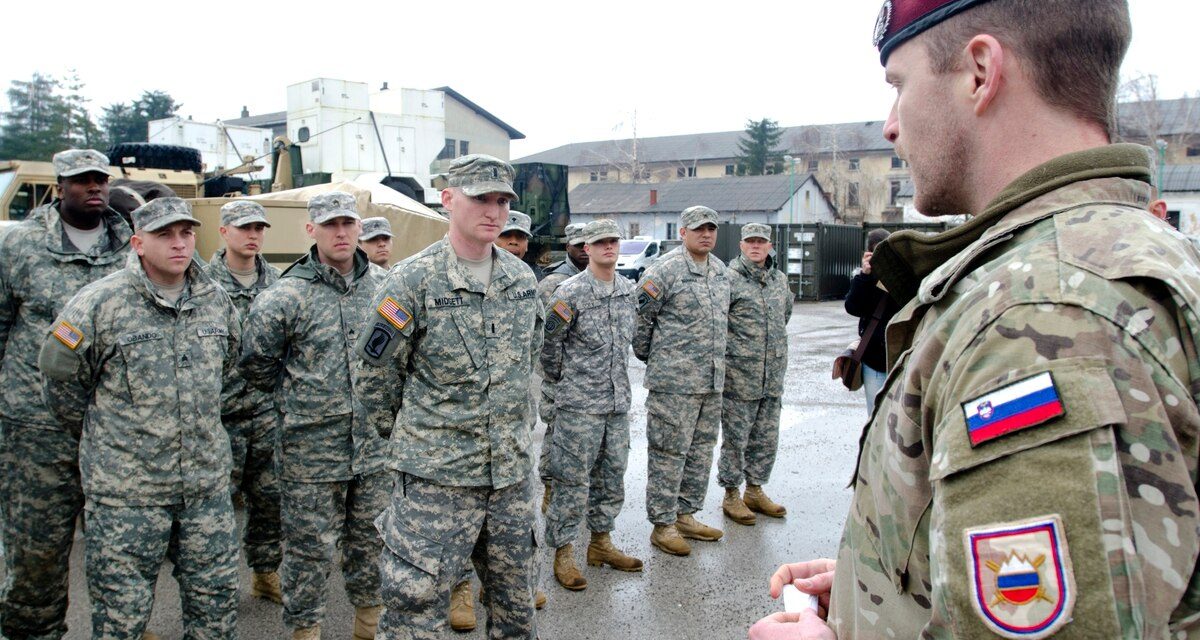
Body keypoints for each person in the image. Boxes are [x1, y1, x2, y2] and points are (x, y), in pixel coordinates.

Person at [752, 1, 1200, 638]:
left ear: (980, 72)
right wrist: (877, 583)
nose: (889, 126)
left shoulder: (1042, 316)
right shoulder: (1123, 252)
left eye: (900, 86)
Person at [354, 154, 542, 639]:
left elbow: (528, 363)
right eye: (481, 198)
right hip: (436, 482)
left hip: (510, 480)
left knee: (517, 610)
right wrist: (422, 443)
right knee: (415, 611)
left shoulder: (521, 280)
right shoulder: (411, 281)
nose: (494, 212)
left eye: (502, 201)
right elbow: (375, 379)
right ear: (448, 199)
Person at [38, 197, 241, 639]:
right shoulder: (98, 304)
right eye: (164, 234)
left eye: (186, 233)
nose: (179, 243)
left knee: (217, 613)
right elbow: (61, 385)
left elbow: (229, 370)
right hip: (128, 495)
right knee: (120, 620)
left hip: (204, 490)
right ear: (137, 243)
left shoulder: (216, 301)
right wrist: (112, 443)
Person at [239, 191, 389, 640]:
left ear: (359, 228)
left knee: (373, 541)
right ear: (312, 230)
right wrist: (302, 405)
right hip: (310, 452)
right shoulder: (285, 295)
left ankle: (369, 623)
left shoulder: (386, 287)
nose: (340, 233)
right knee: (308, 552)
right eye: (329, 225)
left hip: (375, 448)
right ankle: (305, 630)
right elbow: (256, 365)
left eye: (348, 224)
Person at [0, 148, 132, 640]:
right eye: (81, 180)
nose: (94, 187)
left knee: (120, 552)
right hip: (37, 427)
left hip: (116, 427)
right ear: (59, 187)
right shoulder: (20, 247)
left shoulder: (131, 244)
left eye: (100, 179)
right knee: (35, 550)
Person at [542, 219, 643, 591]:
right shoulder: (569, 293)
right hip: (579, 406)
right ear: (587, 248)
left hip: (616, 405)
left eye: (614, 241)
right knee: (570, 481)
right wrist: (570, 383)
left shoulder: (628, 291)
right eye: (601, 242)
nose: (609, 248)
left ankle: (600, 543)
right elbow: (549, 349)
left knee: (611, 476)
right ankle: (564, 551)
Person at [200, 200, 284, 604]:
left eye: (259, 228)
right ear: (224, 232)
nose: (253, 235)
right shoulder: (200, 283)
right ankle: (212, 587)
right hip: (220, 413)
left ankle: (266, 571)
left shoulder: (280, 283)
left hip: (268, 410)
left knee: (270, 498)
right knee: (213, 506)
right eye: (244, 228)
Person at [634, 206, 729, 556]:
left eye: (711, 228)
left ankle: (686, 513)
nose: (706, 234)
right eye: (699, 229)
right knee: (668, 453)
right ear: (683, 233)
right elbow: (641, 321)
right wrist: (658, 360)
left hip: (711, 381)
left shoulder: (720, 271)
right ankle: (663, 524)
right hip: (674, 383)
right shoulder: (664, 271)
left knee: (701, 451)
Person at [718, 223, 792, 527]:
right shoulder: (728, 280)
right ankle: (731, 494)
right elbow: (718, 324)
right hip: (740, 377)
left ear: (770, 244)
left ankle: (755, 489)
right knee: (736, 439)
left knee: (765, 437)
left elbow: (784, 315)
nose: (756, 246)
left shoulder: (779, 280)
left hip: (772, 375)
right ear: (741, 245)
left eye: (761, 241)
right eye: (750, 241)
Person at [535, 222, 589, 512]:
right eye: (578, 245)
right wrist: (555, 374)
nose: (584, 250)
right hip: (562, 377)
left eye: (587, 244)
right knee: (557, 434)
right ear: (567, 246)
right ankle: (550, 487)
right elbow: (545, 337)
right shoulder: (554, 283)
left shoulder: (602, 277)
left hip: (591, 380)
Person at [842, 228, 899, 414]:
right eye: (875, 253)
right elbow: (853, 307)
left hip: (901, 356)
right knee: (876, 415)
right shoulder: (865, 277)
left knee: (899, 415)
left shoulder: (902, 273)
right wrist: (865, 276)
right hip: (875, 359)